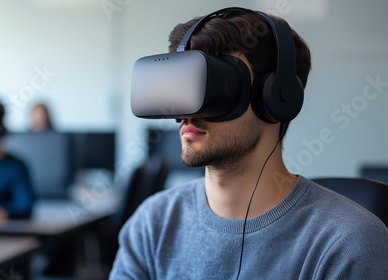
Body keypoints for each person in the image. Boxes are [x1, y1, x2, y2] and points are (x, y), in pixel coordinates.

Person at [110, 7, 388, 279]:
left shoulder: (347, 243)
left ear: (277, 98)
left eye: (214, 86)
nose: (189, 113)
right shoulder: (153, 223)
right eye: (186, 86)